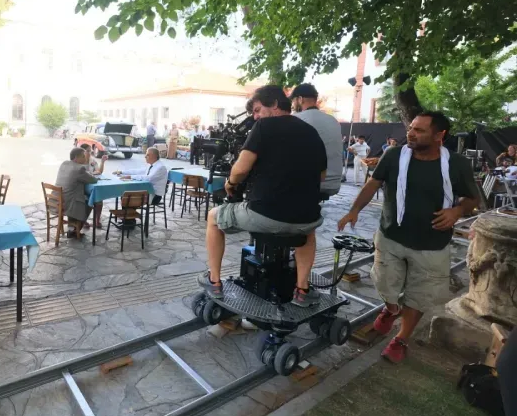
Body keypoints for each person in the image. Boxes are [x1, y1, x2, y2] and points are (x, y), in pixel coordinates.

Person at [338, 111, 478, 363]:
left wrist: (456, 211)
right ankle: (391, 308)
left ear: (439, 135)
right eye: (411, 128)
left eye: (419, 130)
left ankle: (401, 338)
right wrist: (354, 210)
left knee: (419, 295)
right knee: (384, 283)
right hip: (391, 236)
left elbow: (472, 199)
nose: (411, 133)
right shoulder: (394, 155)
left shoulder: (457, 164)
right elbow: (373, 183)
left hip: (432, 244)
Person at [198, 85, 327, 307]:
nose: (255, 117)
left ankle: (214, 281)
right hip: (307, 218)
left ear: (275, 104)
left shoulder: (264, 126)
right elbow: (321, 175)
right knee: (308, 233)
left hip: (266, 215)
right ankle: (302, 289)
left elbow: (240, 169)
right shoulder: (311, 132)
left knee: (213, 217)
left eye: (257, 110)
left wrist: (231, 183)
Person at [290, 83, 343, 197]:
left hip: (309, 184)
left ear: (300, 99)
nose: (293, 106)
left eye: (293, 101)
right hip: (333, 183)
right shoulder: (333, 120)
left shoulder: (295, 119)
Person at [55, 147, 98, 237]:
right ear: (75, 158)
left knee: (77, 196)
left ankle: (71, 228)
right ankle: (76, 229)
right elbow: (93, 180)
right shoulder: (79, 169)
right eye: (83, 156)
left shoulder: (64, 163)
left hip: (58, 200)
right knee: (90, 202)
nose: (85, 158)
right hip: (68, 203)